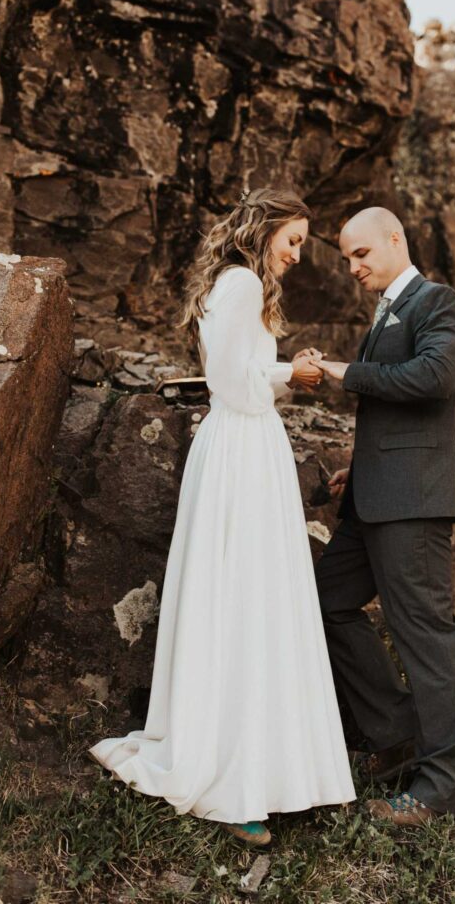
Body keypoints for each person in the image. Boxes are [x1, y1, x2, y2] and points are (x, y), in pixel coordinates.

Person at [88, 188, 356, 847]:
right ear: (261, 232)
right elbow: (235, 385)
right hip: (241, 447)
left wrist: (282, 372)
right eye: (291, 241)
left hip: (245, 446)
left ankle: (265, 768)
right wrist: (291, 370)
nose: (296, 255)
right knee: (243, 596)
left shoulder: (234, 284)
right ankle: (234, 775)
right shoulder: (238, 284)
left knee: (254, 598)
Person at [314, 206, 455, 829]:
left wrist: (342, 371)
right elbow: (399, 416)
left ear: (394, 240)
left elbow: (434, 379)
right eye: (346, 258)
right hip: (375, 497)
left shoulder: (439, 301)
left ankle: (444, 784)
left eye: (361, 253)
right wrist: (362, 467)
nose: (353, 266)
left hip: (416, 503)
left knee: (426, 636)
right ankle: (398, 729)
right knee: (328, 602)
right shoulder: (386, 311)